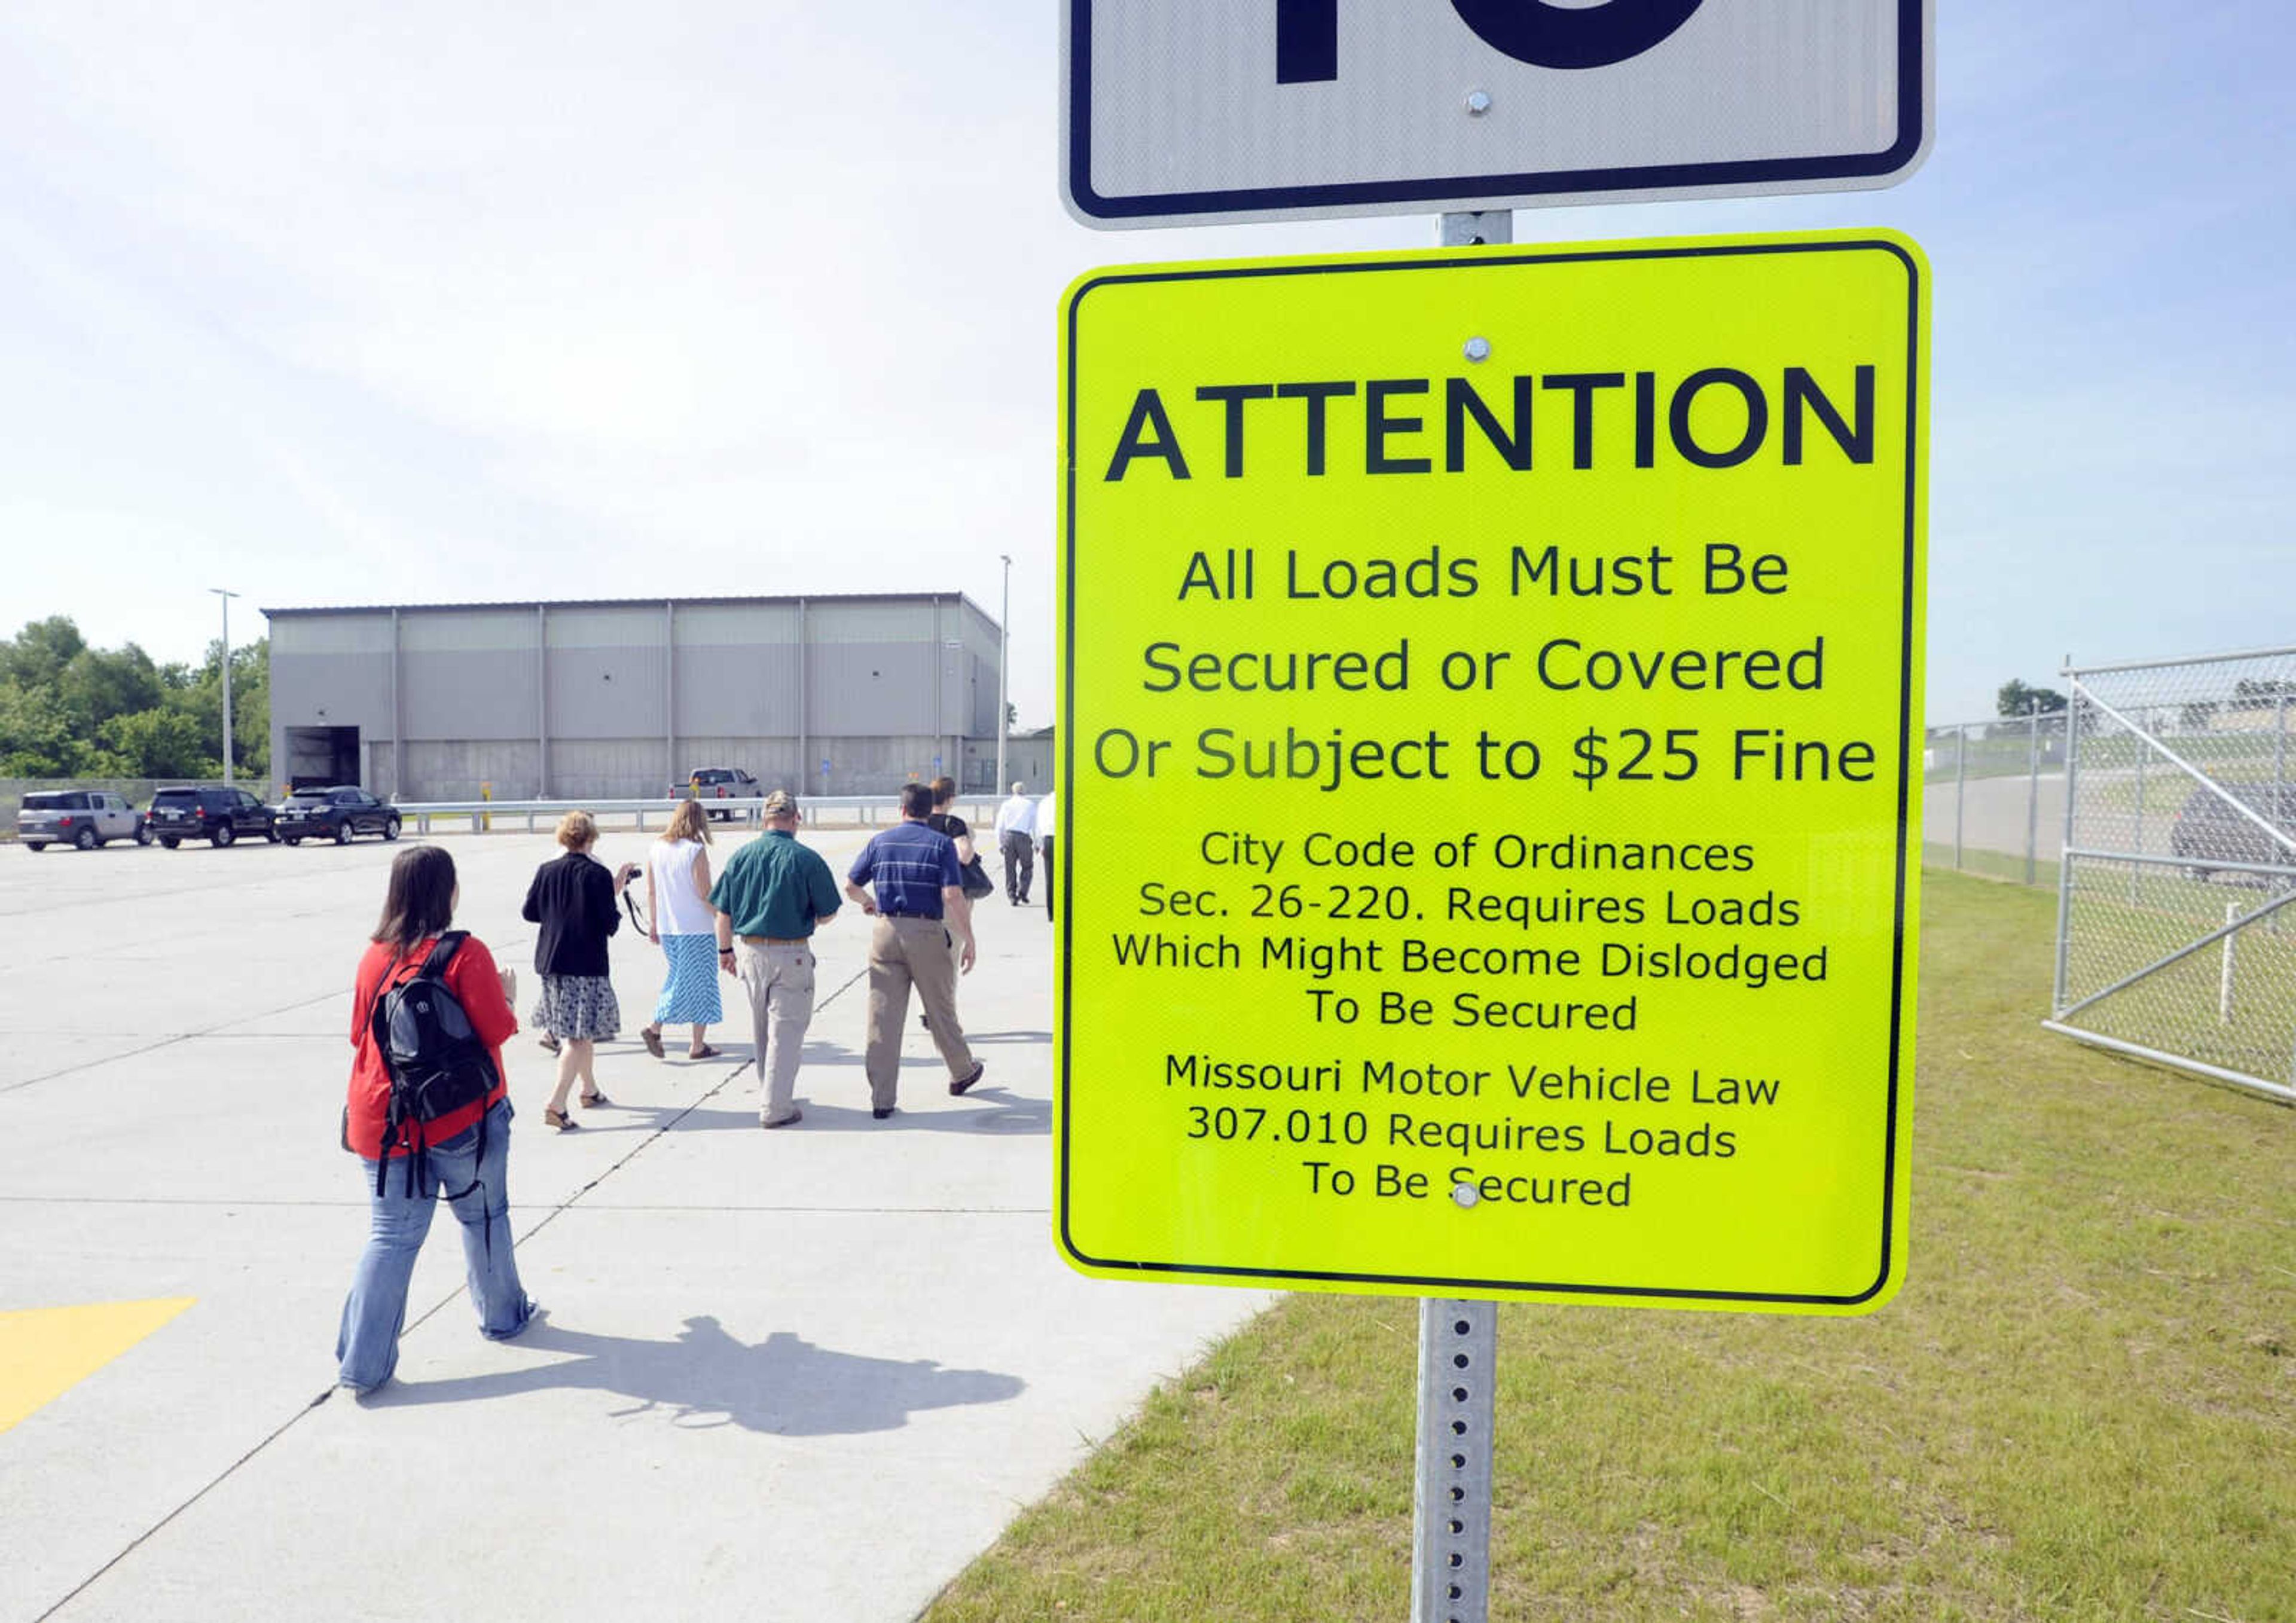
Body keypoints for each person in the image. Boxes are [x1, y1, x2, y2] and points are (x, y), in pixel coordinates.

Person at [338, 845, 536, 1394]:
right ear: (446, 890)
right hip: (460, 1116)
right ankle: (502, 1316)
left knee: (390, 1240)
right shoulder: (463, 952)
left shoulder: (374, 954)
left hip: (382, 1117)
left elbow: (359, 1033)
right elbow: (496, 1030)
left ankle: (362, 1364)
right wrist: (508, 996)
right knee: (484, 1217)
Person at [844, 782, 985, 1118]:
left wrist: (868, 903)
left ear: (902, 810)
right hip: (926, 930)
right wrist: (969, 938)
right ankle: (962, 1072)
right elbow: (952, 894)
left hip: (886, 930)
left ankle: (881, 1099)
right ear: (930, 809)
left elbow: (850, 885)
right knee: (939, 1008)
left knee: (882, 1016)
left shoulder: (880, 842)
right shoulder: (940, 845)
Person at [708, 789, 842, 1128]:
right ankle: (776, 1106)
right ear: (796, 819)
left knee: (762, 1031)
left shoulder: (741, 857)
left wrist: (725, 951)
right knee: (787, 1030)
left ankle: (773, 1092)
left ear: (764, 818)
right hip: (792, 953)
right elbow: (828, 912)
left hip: (751, 952)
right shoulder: (806, 859)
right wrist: (811, 919)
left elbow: (722, 912)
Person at [522, 809, 633, 1130]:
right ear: (590, 838)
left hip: (551, 961)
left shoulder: (547, 869)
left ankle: (589, 1090)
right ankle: (557, 1103)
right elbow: (609, 923)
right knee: (578, 1038)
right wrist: (615, 893)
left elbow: (530, 912)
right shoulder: (597, 874)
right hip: (584, 964)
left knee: (579, 1033)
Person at [640, 797, 723, 1061]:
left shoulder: (657, 848)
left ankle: (698, 1045)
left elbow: (652, 890)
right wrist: (723, 917)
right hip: (696, 928)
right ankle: (656, 1027)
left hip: (668, 927)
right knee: (696, 983)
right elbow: (704, 892)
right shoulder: (694, 850)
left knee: (686, 979)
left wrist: (654, 923)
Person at [993, 781, 1037, 904]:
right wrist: (1038, 843)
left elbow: (999, 827)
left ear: (1013, 791)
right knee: (1027, 866)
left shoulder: (1006, 805)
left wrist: (1000, 844)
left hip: (1009, 837)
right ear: (1025, 791)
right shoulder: (1030, 805)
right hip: (1023, 838)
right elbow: (1035, 826)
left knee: (1010, 868)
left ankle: (1012, 896)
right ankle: (1023, 892)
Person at [1037, 786, 1058, 922]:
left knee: (1050, 879)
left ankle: (1051, 913)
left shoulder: (1044, 802)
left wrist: (1039, 845)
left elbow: (1038, 825)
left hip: (1048, 839)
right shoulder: (1067, 800)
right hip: (1065, 839)